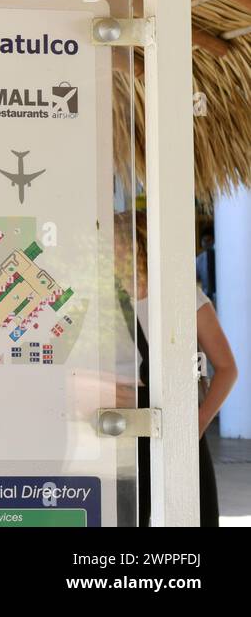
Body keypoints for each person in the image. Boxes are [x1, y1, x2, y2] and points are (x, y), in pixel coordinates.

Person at [120, 212, 237, 526]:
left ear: (138, 247)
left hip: (178, 416)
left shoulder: (184, 298)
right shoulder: (109, 301)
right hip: (124, 423)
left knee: (196, 515)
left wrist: (197, 422)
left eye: (117, 245)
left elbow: (227, 368)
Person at [196, 231, 216, 301]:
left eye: (209, 240)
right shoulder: (199, 259)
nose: (207, 243)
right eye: (204, 240)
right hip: (205, 295)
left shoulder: (220, 258)